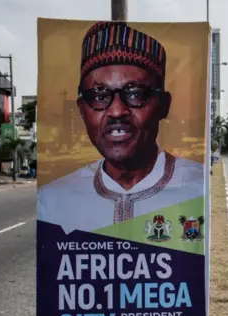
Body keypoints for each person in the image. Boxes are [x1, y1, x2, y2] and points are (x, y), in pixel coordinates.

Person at [37, 21, 206, 234]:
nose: (117, 111)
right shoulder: (54, 199)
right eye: (99, 97)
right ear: (82, 110)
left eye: (135, 94)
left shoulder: (198, 188)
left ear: (164, 105)